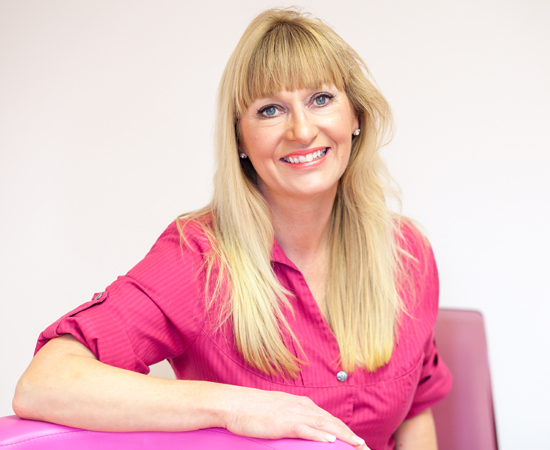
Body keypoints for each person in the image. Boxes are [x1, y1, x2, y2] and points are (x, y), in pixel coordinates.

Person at [13, 8, 451, 450]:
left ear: (355, 117)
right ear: (240, 138)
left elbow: (415, 414)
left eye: (321, 99)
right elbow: (44, 384)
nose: (302, 130)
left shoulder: (407, 253)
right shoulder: (197, 257)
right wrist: (237, 407)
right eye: (270, 110)